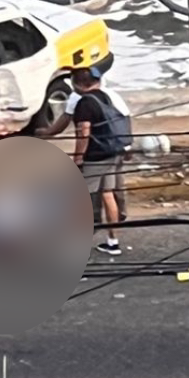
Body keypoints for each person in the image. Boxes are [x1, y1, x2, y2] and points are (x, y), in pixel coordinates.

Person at [68, 67, 132, 256]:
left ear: (77, 84)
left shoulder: (84, 103)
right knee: (107, 194)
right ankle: (113, 242)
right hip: (113, 152)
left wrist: (78, 157)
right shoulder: (106, 97)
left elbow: (83, 133)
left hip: (96, 157)